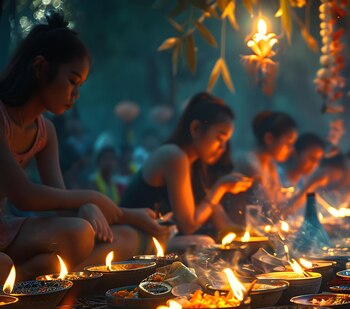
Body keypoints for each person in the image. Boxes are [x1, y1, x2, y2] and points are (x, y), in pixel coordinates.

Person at [0, 10, 166, 279]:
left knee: (80, 234)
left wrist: (85, 208)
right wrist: (91, 198)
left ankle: (15, 277)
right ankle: (17, 275)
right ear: (41, 68)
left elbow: (58, 200)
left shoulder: (46, 132)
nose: (75, 94)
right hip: (7, 232)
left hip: (7, 232)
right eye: (72, 81)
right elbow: (24, 194)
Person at [121, 93, 252, 252]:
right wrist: (221, 187)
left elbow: (219, 218)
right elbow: (188, 225)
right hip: (131, 240)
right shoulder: (174, 156)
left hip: (155, 240)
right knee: (204, 243)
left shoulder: (194, 165)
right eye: (219, 138)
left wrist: (251, 235)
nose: (223, 148)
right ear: (195, 129)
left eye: (226, 141)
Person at [234, 111, 298, 220]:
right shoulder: (249, 163)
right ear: (269, 138)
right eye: (288, 143)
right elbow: (271, 211)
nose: (291, 150)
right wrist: (311, 186)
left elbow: (281, 204)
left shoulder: (270, 165)